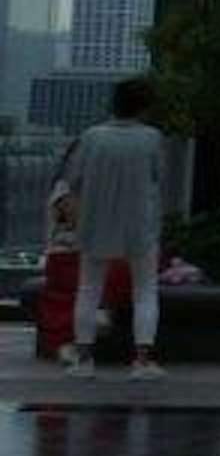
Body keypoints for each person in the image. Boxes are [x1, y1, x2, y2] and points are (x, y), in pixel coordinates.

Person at [48, 77, 170, 381]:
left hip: (96, 222)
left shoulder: (92, 137)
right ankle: (142, 362)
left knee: (88, 290)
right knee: (145, 292)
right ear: (144, 106)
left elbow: (72, 177)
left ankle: (84, 360)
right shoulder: (152, 138)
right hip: (140, 224)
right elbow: (159, 177)